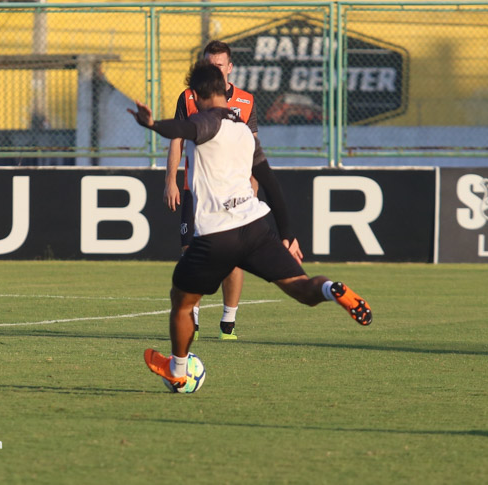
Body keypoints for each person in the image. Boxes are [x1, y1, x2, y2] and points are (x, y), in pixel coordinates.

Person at [129, 61, 371, 390]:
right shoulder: (243, 128)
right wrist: (287, 234)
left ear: (199, 95)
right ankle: (333, 290)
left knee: (182, 302)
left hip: (218, 234)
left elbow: (182, 130)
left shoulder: (205, 119)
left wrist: (154, 124)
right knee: (301, 288)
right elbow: (271, 182)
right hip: (256, 227)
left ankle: (178, 367)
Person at [164, 40, 295, 341]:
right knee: (190, 250)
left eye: (219, 65)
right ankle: (192, 318)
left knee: (234, 258)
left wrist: (254, 185)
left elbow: (253, 146)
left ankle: (228, 320)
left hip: (235, 192)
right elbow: (176, 140)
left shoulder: (246, 101)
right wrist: (170, 180)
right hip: (195, 191)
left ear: (230, 68)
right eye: (210, 65)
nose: (214, 69)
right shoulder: (189, 97)